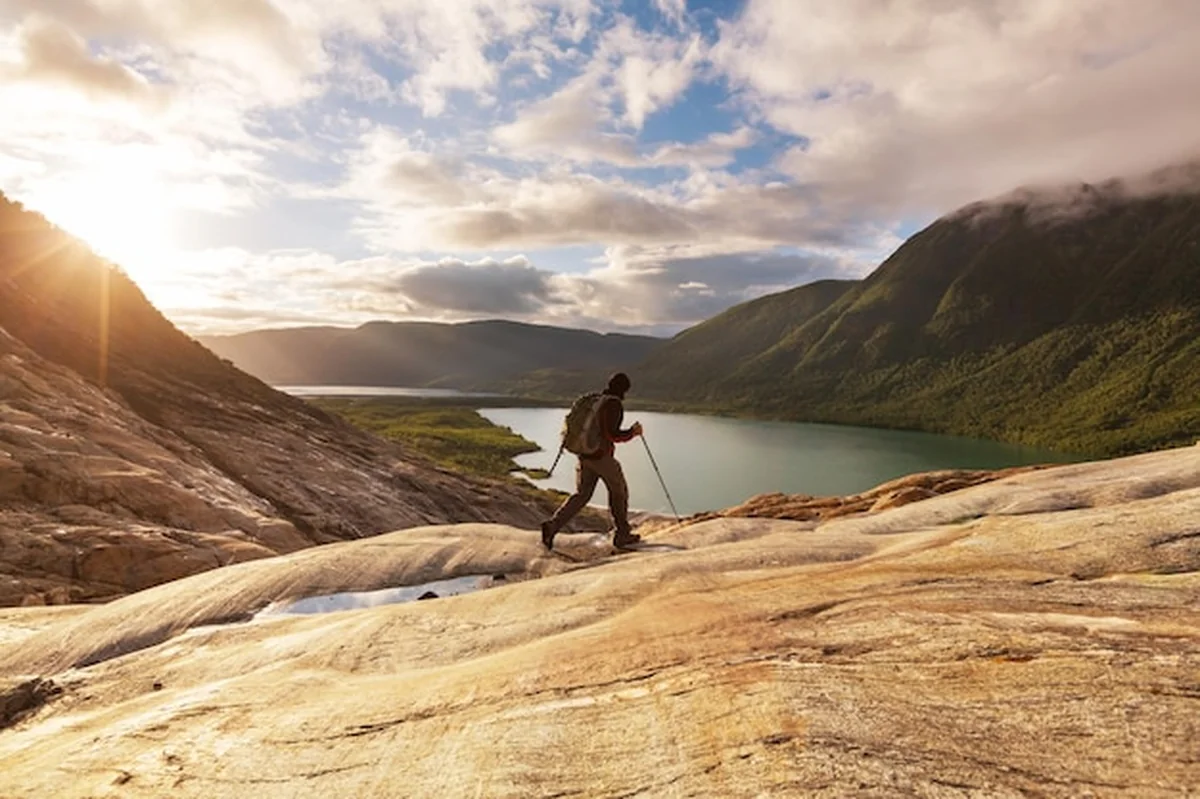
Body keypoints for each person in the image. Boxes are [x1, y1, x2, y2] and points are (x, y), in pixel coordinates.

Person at [541, 372, 643, 550]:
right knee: (619, 492)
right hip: (601, 457)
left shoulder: (596, 401)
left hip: (584, 456)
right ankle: (622, 534)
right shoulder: (613, 404)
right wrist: (633, 432)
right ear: (624, 389)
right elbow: (612, 434)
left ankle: (552, 525)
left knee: (581, 495)